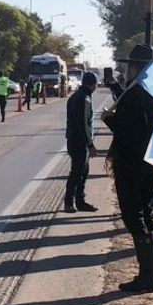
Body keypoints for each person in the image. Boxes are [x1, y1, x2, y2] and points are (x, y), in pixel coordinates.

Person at [102, 44, 153, 293]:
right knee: (146, 215)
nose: (126, 68)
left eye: (129, 64)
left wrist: (109, 120)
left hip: (132, 162)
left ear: (136, 66)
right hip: (149, 161)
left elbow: (128, 131)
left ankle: (148, 277)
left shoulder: (136, 92)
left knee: (134, 216)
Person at [65, 72, 100, 213]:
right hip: (79, 142)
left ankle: (80, 201)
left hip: (73, 139)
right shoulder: (85, 99)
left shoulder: (74, 97)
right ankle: (70, 202)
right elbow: (83, 124)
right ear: (93, 84)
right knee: (77, 172)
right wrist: (90, 144)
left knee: (83, 171)